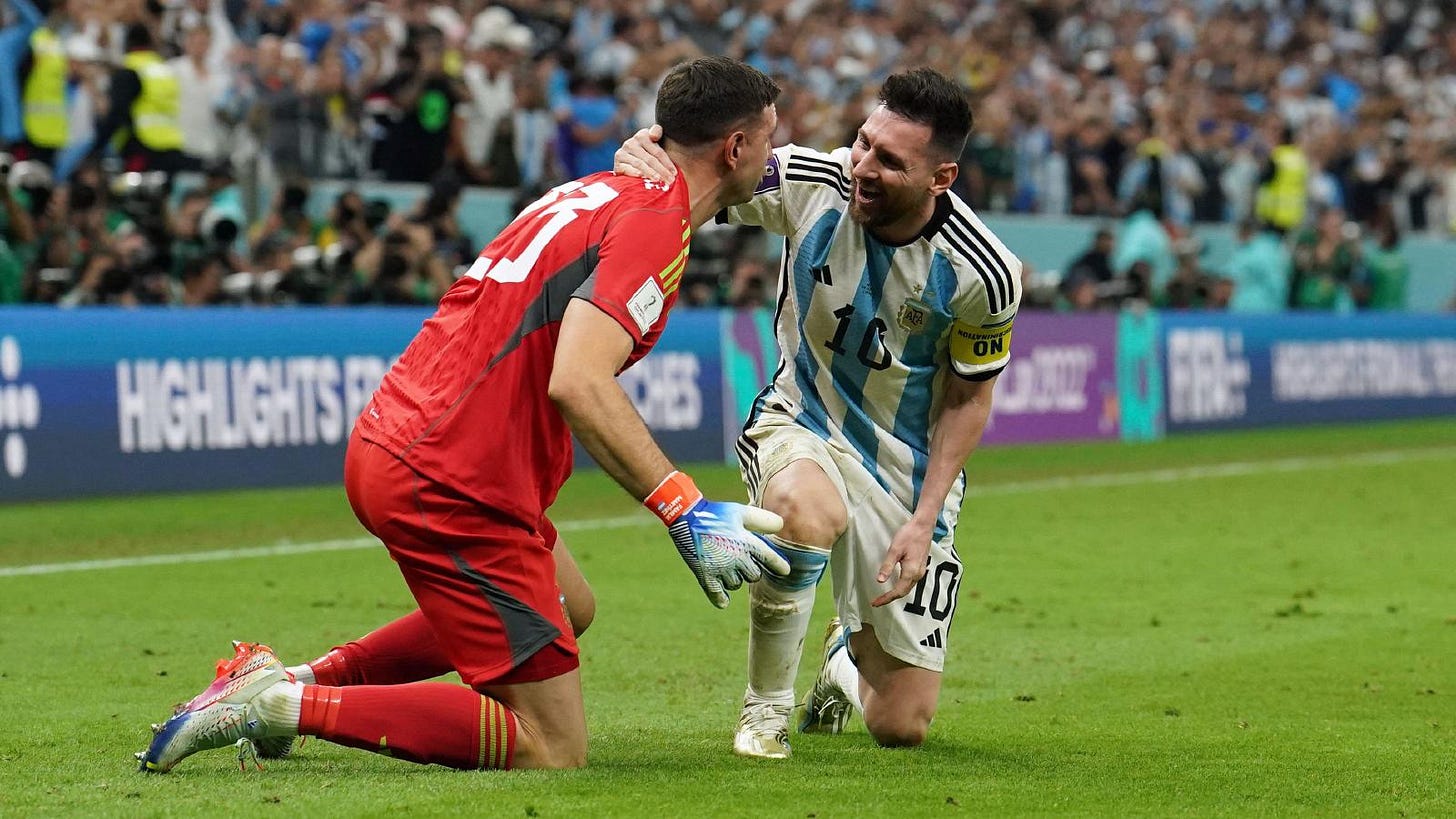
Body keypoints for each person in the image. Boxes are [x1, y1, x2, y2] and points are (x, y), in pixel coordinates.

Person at [137, 56, 789, 774]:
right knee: (551, 744)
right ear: (736, 148)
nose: (773, 153)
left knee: (569, 603)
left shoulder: (598, 189)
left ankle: (296, 682)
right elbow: (578, 380)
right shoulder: (655, 222)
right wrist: (685, 508)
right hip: (452, 473)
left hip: (402, 435)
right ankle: (277, 706)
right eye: (768, 136)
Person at [615, 67, 1023, 757]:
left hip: (904, 471)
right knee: (804, 512)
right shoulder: (811, 181)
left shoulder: (985, 271)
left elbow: (968, 396)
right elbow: (705, 174)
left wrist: (923, 521)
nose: (862, 166)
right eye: (863, 142)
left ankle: (840, 656)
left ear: (941, 178)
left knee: (901, 724)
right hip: (798, 420)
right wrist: (645, 153)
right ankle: (763, 712)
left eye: (890, 161)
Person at [53, 25, 188, 183]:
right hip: (172, 142)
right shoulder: (165, 70)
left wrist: (96, 148)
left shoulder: (129, 70)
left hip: (141, 145)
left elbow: (117, 113)